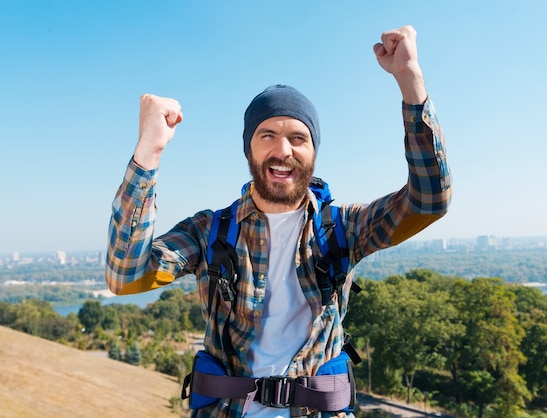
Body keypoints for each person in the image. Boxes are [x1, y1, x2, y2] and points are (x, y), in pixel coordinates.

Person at [105, 25, 452, 418]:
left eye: (298, 138)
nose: (282, 150)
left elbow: (428, 201)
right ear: (249, 149)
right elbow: (125, 275)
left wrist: (410, 80)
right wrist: (149, 152)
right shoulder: (210, 232)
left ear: (313, 152)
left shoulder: (343, 228)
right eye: (267, 135)